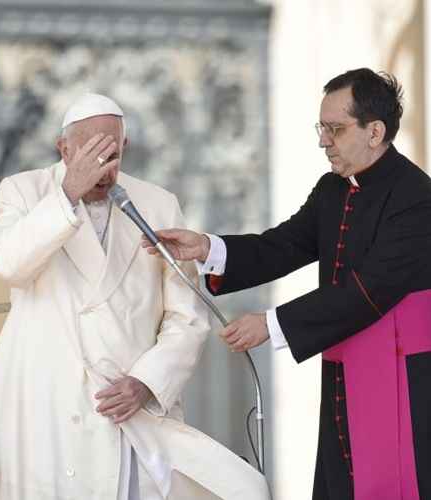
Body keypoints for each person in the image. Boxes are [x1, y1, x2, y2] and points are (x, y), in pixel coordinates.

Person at [144, 69, 431, 500]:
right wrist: (206, 248)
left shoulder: (416, 198)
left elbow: (369, 291)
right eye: (322, 128)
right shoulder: (333, 189)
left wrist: (272, 324)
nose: (323, 141)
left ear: (375, 132)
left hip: (401, 378)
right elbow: (283, 245)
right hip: (345, 364)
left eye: (335, 129)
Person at [0, 93, 269, 500]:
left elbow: (186, 316)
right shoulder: (24, 192)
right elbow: (9, 264)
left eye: (111, 154)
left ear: (124, 147)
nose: (103, 169)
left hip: (128, 409)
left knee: (245, 490)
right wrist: (66, 197)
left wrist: (147, 382)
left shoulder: (158, 203)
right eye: (90, 155)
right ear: (64, 149)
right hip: (46, 406)